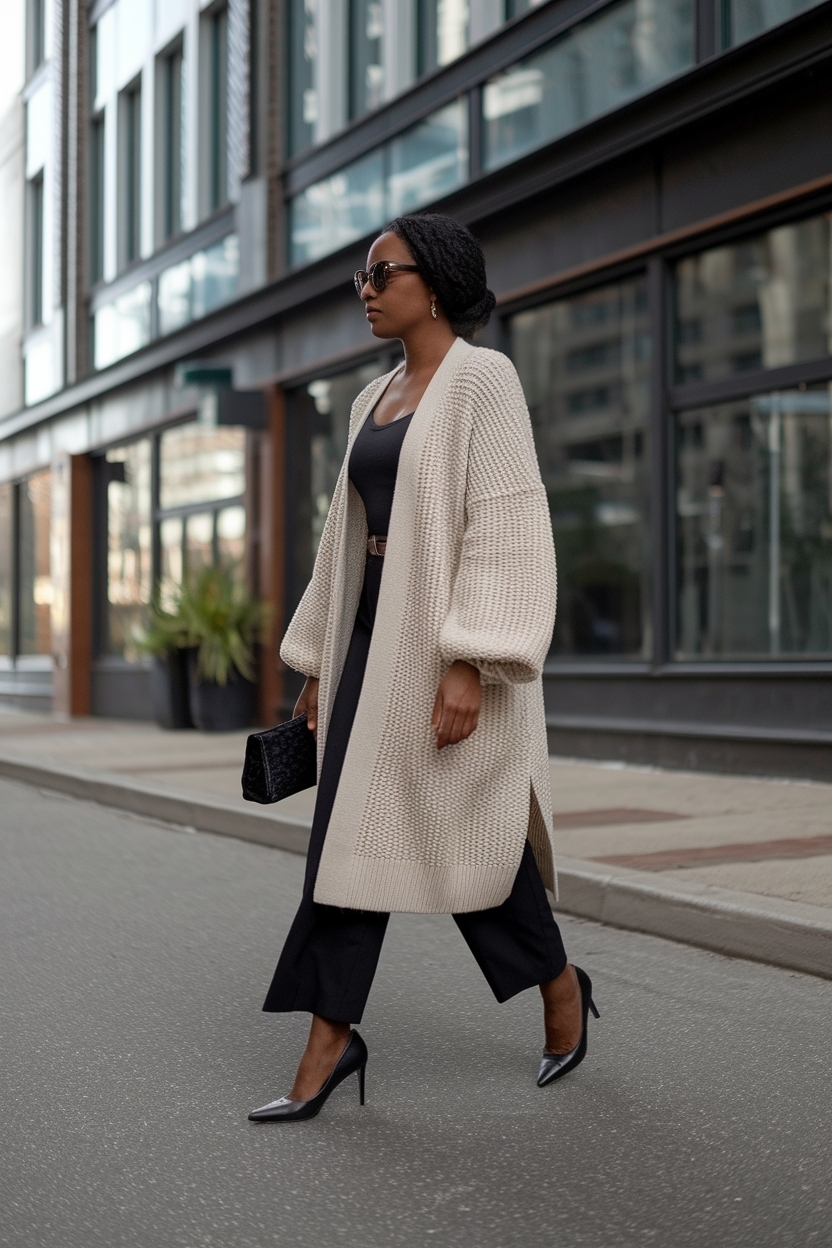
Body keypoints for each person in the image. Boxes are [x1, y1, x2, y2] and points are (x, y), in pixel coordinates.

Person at [249, 213, 599, 1124]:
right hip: (369, 642)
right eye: (360, 278)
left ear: (435, 282)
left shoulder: (485, 379)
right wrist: (321, 660)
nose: (365, 290)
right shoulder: (374, 397)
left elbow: (507, 525)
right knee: (348, 842)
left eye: (381, 273)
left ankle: (559, 986)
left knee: (463, 840)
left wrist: (471, 661)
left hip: (443, 648)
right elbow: (340, 542)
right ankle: (330, 1043)